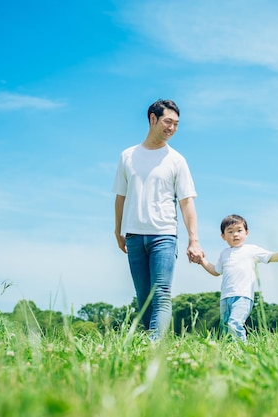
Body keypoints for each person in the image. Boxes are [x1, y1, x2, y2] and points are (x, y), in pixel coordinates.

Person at [113, 99, 204, 340]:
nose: (172, 128)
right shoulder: (128, 156)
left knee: (161, 292)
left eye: (176, 124)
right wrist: (117, 230)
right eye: (167, 122)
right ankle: (145, 345)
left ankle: (156, 346)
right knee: (143, 298)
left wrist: (194, 240)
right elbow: (121, 197)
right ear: (152, 119)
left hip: (163, 235)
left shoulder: (176, 160)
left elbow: (187, 202)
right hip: (133, 235)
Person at [197, 214, 278, 342]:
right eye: (230, 232)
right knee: (225, 326)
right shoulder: (224, 253)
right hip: (225, 297)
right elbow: (216, 271)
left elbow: (272, 257)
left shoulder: (251, 250)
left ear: (246, 233)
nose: (235, 234)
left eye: (239, 230)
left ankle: (241, 351)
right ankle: (229, 352)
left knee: (234, 323)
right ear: (223, 236)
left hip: (243, 296)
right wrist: (202, 261)